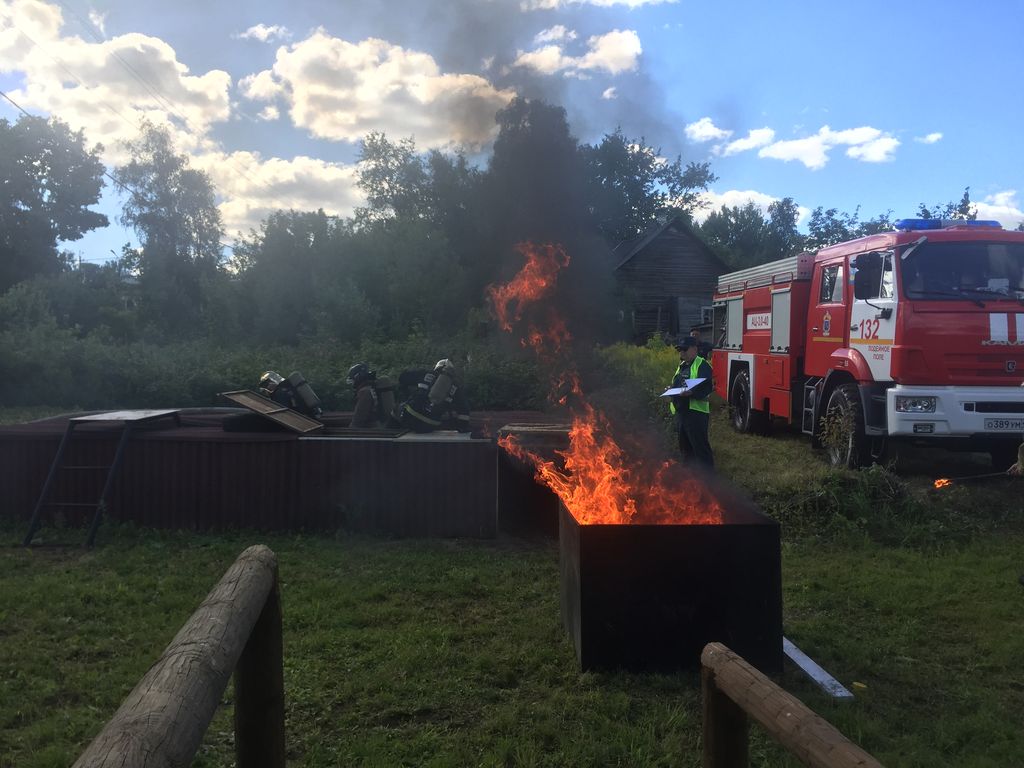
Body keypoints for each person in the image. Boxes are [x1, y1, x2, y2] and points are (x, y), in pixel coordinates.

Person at [669, 336, 714, 468]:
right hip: (681, 414)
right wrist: (670, 389)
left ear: (694, 349)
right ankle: (689, 477)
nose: (682, 353)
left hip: (695, 414)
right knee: (685, 450)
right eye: (680, 350)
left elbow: (706, 386)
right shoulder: (682, 366)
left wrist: (691, 392)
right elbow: (678, 384)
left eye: (685, 349)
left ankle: (708, 477)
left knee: (700, 449)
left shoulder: (702, 364)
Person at [396, 359, 471, 433]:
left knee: (396, 410)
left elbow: (402, 378)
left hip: (411, 416)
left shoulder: (425, 373)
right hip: (430, 425)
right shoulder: (455, 387)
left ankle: (391, 432)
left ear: (436, 367)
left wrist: (407, 395)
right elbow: (464, 410)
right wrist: (462, 428)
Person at [346, 362, 397, 428]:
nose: (352, 384)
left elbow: (359, 418)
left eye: (353, 381)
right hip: (381, 425)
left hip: (372, 428)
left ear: (357, 378)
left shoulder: (364, 392)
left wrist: (351, 429)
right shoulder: (373, 387)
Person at [258, 370, 323, 419]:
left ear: (272, 382)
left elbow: (283, 411)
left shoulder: (279, 393)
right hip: (308, 415)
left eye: (267, 384)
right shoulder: (288, 387)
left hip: (300, 419)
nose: (267, 387)